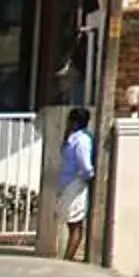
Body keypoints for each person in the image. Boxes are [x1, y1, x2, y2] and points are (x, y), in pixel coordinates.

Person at [58, 107, 95, 259]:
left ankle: (68, 258)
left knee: (75, 224)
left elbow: (84, 164)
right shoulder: (77, 139)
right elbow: (84, 164)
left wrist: (88, 174)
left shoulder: (78, 140)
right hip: (72, 183)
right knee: (74, 224)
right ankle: (68, 258)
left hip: (72, 183)